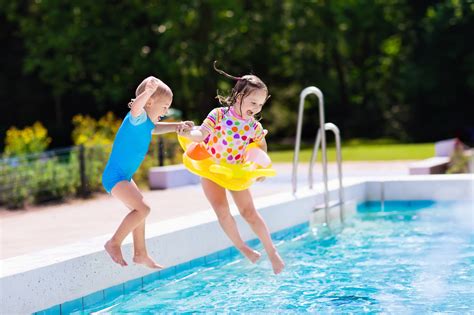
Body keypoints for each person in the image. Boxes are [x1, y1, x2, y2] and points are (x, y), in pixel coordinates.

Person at [178, 62, 285, 274]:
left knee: (249, 212)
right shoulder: (218, 115)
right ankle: (243, 248)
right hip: (211, 168)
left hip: (235, 172)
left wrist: (259, 168)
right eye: (253, 102)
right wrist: (188, 134)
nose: (255, 109)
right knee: (223, 212)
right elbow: (202, 134)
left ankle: (272, 252)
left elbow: (260, 146)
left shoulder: (254, 126)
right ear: (238, 97)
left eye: (260, 105)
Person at [102, 76, 193, 268]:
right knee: (143, 209)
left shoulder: (146, 124)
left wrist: (177, 126)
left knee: (139, 211)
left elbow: (156, 128)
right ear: (149, 102)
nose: (166, 111)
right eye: (164, 106)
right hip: (115, 177)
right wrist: (148, 92)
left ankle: (140, 253)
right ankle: (114, 243)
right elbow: (136, 108)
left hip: (124, 176)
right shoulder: (138, 117)